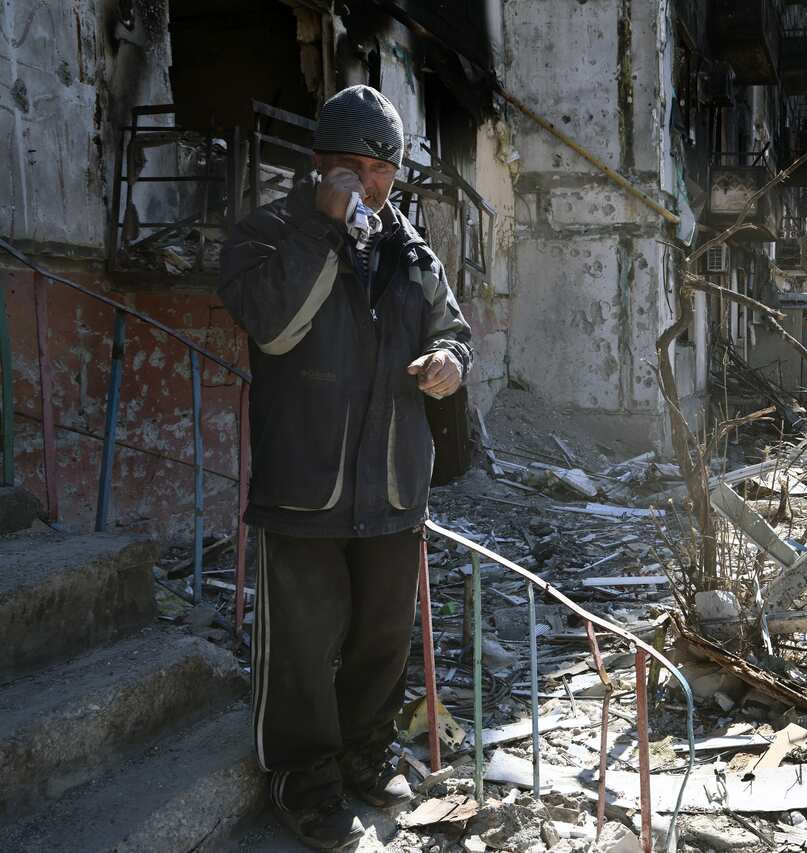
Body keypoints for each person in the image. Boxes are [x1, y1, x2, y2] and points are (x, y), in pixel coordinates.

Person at [219, 84, 472, 851]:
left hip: (393, 481)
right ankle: (303, 775)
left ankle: (366, 754)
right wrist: (324, 234)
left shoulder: (413, 249)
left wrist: (450, 365)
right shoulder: (267, 235)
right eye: (351, 167)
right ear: (320, 164)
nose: (367, 184)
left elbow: (453, 328)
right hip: (305, 485)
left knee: (381, 639)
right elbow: (276, 325)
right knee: (301, 644)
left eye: (381, 170)